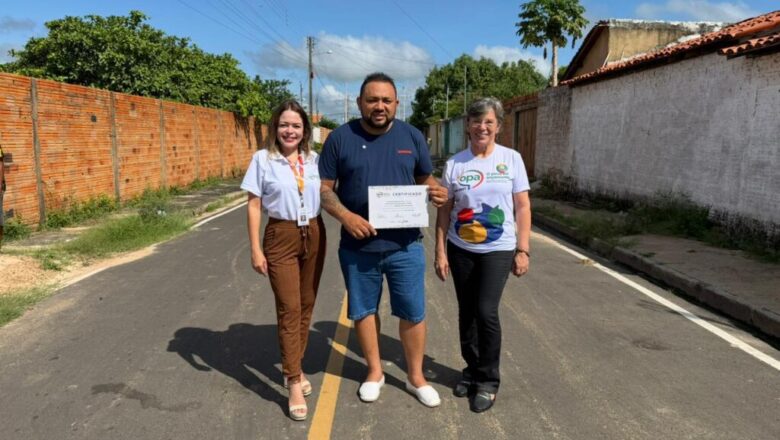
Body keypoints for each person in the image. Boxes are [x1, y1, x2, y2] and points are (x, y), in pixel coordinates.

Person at [319, 72, 448, 407]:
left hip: (405, 246)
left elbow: (424, 178)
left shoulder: (412, 136)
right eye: (372, 100)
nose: (379, 106)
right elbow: (323, 190)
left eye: (386, 100)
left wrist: (434, 191)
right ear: (361, 102)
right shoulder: (340, 138)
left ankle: (416, 377)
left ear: (396, 104)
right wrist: (346, 217)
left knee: (413, 312)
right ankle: (374, 372)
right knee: (363, 311)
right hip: (358, 248)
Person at [434, 97, 531, 413]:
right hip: (460, 248)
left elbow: (522, 207)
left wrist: (523, 249)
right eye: (476, 121)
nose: (482, 127)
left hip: (498, 249)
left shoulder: (512, 160)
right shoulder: (455, 164)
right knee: (467, 312)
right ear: (468, 126)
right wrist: (439, 252)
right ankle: (472, 371)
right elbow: (445, 211)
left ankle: (488, 380)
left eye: (489, 121)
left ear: (498, 126)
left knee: (486, 310)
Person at [240, 100, 326, 421]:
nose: (290, 131)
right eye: (284, 125)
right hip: (281, 235)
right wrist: (255, 248)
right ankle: (292, 381)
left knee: (306, 305)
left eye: (296, 126)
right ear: (275, 128)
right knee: (289, 308)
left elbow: (333, 192)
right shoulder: (263, 160)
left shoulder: (315, 160)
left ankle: (295, 365)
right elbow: (253, 205)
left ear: (305, 131)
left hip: (314, 232)